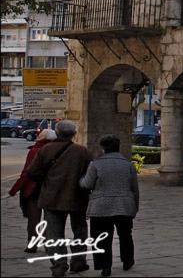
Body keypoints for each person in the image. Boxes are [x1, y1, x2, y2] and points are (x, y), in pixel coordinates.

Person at [27, 119, 93, 278]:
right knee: (80, 230)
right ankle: (78, 262)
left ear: (57, 133)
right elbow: (90, 174)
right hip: (77, 197)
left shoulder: (46, 150)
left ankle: (59, 265)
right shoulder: (82, 151)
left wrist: (46, 180)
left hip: (52, 197)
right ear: (74, 134)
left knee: (54, 233)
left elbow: (32, 173)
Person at [80, 134, 139, 278]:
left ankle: (105, 266)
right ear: (118, 147)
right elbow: (134, 188)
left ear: (103, 148)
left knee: (101, 236)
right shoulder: (128, 164)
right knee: (125, 234)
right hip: (124, 205)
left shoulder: (96, 164)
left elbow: (87, 184)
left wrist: (80, 179)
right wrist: (135, 207)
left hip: (101, 206)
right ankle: (127, 260)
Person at [9, 128, 58, 253]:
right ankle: (49, 244)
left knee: (34, 219)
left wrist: (15, 189)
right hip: (51, 189)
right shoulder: (59, 150)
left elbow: (27, 172)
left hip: (34, 189)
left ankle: (32, 244)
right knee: (50, 219)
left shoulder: (35, 151)